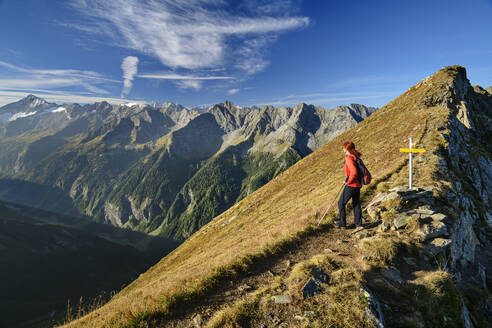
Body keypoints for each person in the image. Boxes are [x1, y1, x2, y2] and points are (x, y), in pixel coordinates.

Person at [337, 141, 363, 230]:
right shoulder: (356, 157)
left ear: (346, 149)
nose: (343, 149)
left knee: (341, 203)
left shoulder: (349, 158)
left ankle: (342, 224)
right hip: (358, 185)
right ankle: (358, 224)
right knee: (356, 204)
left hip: (351, 185)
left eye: (344, 147)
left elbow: (354, 172)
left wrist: (348, 182)